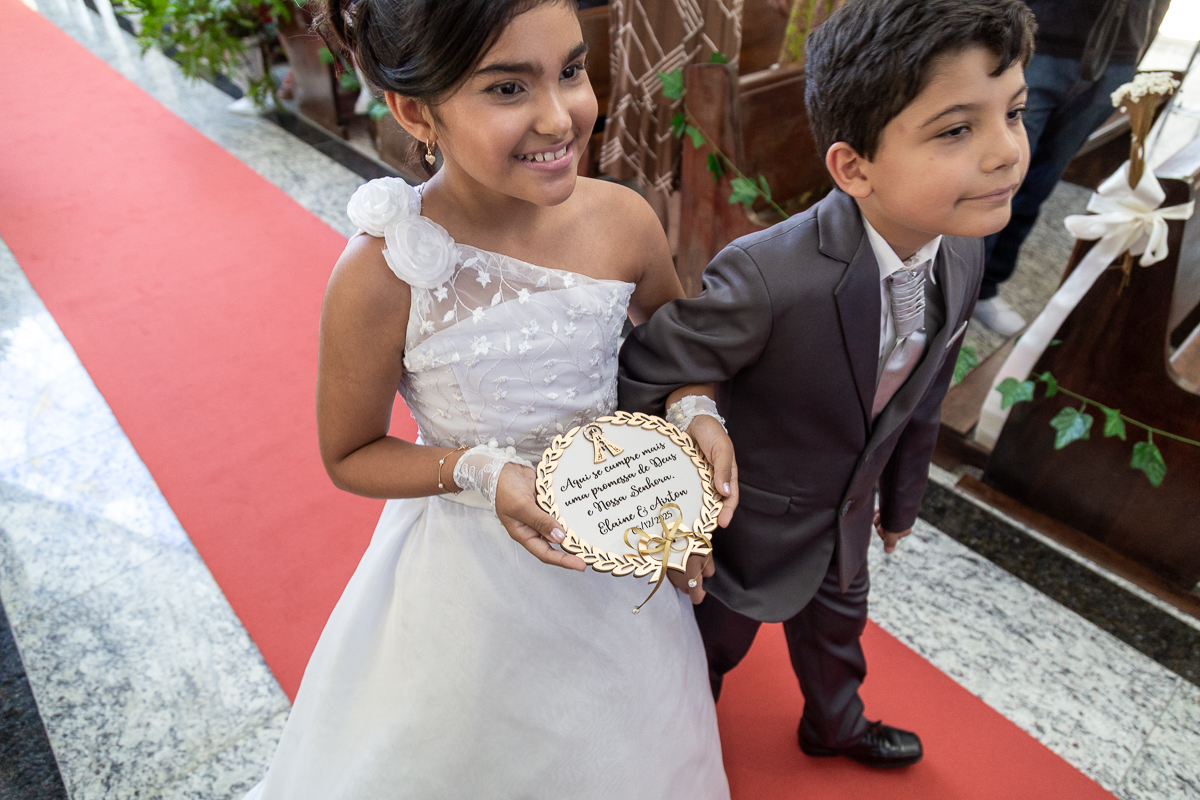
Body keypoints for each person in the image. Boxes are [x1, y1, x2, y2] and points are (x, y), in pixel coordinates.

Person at [243, 1, 730, 797]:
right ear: (413, 110)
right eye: (508, 89)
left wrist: (696, 413)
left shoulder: (623, 222)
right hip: (473, 586)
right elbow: (350, 453)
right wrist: (479, 471)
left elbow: (680, 359)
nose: (559, 116)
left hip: (614, 549)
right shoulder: (382, 273)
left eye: (570, 70)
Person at [619, 0, 1034, 769]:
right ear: (853, 167)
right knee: (707, 653)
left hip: (846, 523)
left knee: (839, 636)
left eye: (1014, 112)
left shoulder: (965, 252)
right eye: (956, 129)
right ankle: (678, 747)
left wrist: (901, 504)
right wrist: (685, 463)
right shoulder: (771, 276)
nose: (1007, 151)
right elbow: (651, 363)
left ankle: (834, 725)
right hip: (745, 534)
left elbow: (919, 397)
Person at [972, 0, 1171, 336]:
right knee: (992, 175)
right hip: (1037, 36)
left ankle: (984, 288)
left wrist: (1136, 51)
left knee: (1040, 183)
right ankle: (944, 289)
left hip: (1116, 53)